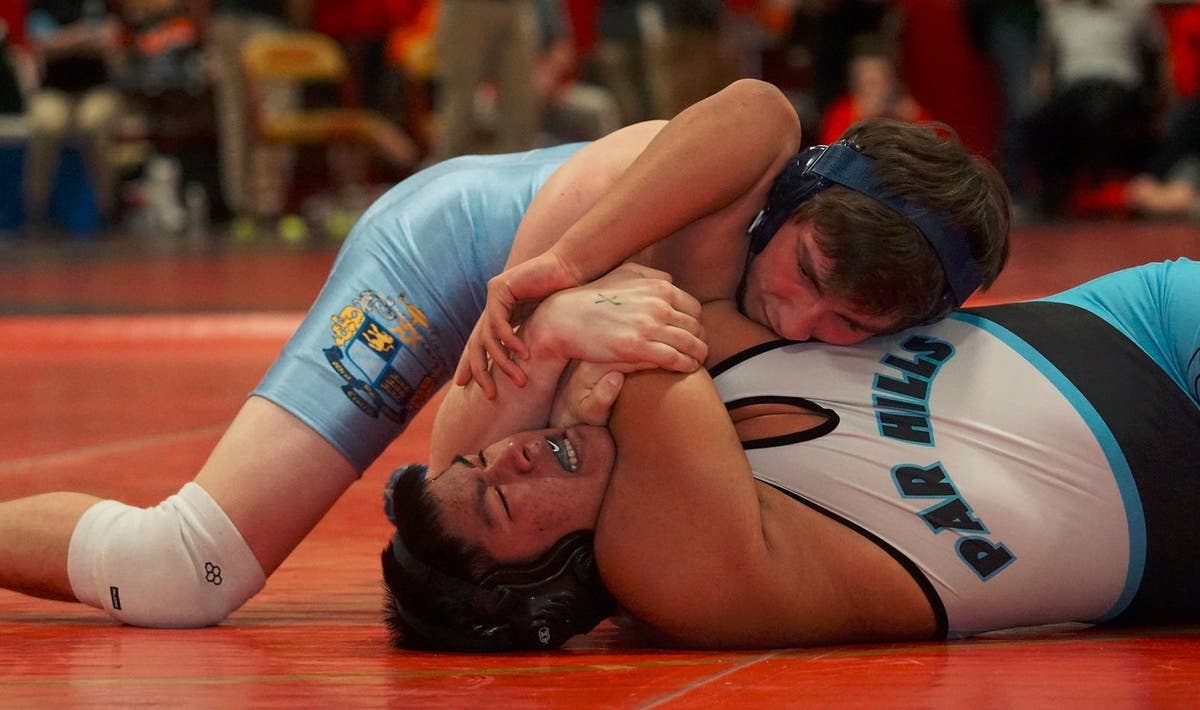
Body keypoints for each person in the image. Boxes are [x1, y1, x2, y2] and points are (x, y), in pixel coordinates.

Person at [0, 79, 1009, 628]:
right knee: (185, 569)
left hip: (548, 306)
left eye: (846, 324)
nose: (798, 316)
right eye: (807, 269)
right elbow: (459, 468)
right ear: (802, 192)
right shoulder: (742, 162)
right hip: (455, 262)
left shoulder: (802, 284)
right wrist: (557, 294)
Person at [381, 257, 1200, 651]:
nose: (514, 456)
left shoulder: (638, 397)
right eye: (499, 500)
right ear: (544, 587)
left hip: (1140, 314)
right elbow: (649, 315)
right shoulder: (670, 577)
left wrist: (578, 313)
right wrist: (566, 316)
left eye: (486, 460)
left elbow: (757, 116)